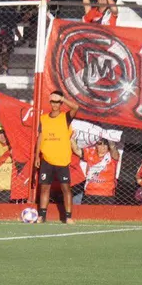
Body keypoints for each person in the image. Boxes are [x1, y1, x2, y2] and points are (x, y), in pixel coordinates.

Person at [35, 91, 79, 223]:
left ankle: (68, 217)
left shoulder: (65, 117)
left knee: (66, 188)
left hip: (62, 160)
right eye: (53, 102)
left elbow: (76, 107)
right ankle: (42, 216)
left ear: (60, 103)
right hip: (47, 159)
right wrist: (37, 156)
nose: (55, 104)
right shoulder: (43, 118)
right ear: (50, 102)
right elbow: (40, 137)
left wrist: (62, 98)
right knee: (44, 188)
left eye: (57, 102)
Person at [80, 139, 120, 205]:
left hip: (107, 195)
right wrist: (71, 139)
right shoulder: (90, 154)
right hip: (90, 193)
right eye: (100, 144)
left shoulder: (112, 156)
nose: (103, 146)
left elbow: (113, 149)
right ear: (96, 145)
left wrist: (110, 140)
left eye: (105, 144)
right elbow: (77, 151)